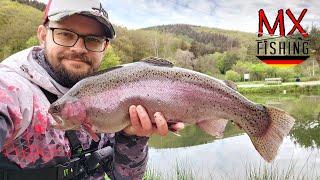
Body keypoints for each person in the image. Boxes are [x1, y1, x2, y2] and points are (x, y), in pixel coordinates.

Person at [0, 0, 184, 179]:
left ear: (104, 47)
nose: (79, 48)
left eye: (93, 40)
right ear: (42, 35)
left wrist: (131, 137)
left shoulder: (112, 91)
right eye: (65, 34)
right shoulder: (12, 88)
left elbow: (124, 177)